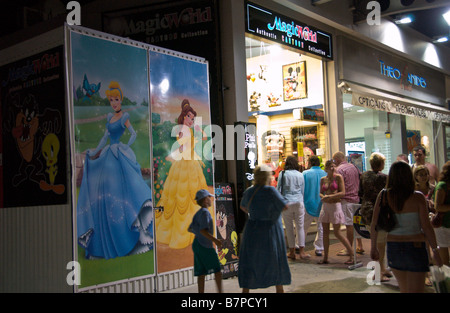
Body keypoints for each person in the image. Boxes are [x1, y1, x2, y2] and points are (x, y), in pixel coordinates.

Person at [77, 81, 153, 259]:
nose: (114, 102)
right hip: (107, 157)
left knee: (126, 192)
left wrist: (124, 147)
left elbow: (133, 134)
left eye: (116, 99)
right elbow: (105, 138)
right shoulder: (109, 117)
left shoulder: (125, 116)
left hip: (119, 155)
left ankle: (128, 234)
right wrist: (94, 152)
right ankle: (105, 242)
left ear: (121, 99)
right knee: (105, 194)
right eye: (111, 99)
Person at [370, 161, 443, 293]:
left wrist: (373, 247)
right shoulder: (418, 197)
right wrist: (435, 250)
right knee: (417, 290)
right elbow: (426, 227)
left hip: (394, 246)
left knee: (404, 289)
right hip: (415, 246)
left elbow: (374, 223)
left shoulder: (384, 195)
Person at [156, 99, 210, 249]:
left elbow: (203, 137)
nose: (191, 120)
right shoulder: (183, 129)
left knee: (188, 194)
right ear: (183, 116)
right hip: (186, 163)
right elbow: (182, 148)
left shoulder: (188, 129)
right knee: (183, 195)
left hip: (190, 162)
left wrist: (197, 128)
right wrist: (174, 156)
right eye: (189, 117)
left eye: (193, 118)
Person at [239, 165, 291, 293]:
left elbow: (243, 207)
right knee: (275, 261)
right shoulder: (270, 191)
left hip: (252, 230)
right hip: (270, 230)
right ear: (268, 176)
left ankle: (246, 291)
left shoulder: (249, 191)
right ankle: (279, 289)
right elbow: (284, 206)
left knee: (251, 261)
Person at [359, 152, 390, 282]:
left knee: (376, 240)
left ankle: (382, 269)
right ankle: (379, 272)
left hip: (366, 210)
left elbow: (360, 193)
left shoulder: (364, 176)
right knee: (381, 243)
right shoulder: (384, 178)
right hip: (380, 212)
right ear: (381, 164)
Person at [318, 160, 354, 265]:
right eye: (330, 166)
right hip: (325, 206)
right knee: (325, 232)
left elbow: (342, 193)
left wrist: (330, 196)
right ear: (326, 168)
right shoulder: (323, 179)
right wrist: (323, 197)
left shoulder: (338, 178)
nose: (333, 168)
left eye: (334, 166)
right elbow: (320, 192)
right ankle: (325, 257)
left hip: (335, 206)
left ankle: (352, 254)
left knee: (337, 232)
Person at [188, 189, 223, 293]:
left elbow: (190, 228)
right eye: (209, 197)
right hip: (205, 245)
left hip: (197, 244)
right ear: (204, 201)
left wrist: (198, 233)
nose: (211, 199)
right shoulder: (205, 213)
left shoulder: (198, 213)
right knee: (217, 269)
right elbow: (203, 230)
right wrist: (215, 240)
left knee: (201, 272)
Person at [277, 155, 309, 259]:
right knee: (300, 227)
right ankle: (302, 252)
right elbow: (303, 190)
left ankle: (292, 252)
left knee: (289, 228)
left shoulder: (283, 174)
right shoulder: (300, 174)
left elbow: (278, 189)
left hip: (287, 203)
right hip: (299, 202)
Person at [332, 151, 363, 255]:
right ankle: (360, 246)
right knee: (355, 223)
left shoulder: (339, 170)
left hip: (346, 200)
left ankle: (349, 248)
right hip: (356, 198)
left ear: (337, 159)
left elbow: (338, 187)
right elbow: (360, 178)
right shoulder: (353, 166)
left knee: (349, 224)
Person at [302, 155, 326, 257]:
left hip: (307, 203)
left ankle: (299, 245)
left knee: (303, 226)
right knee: (321, 227)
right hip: (321, 203)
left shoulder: (305, 174)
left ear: (310, 163)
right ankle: (319, 248)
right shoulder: (325, 173)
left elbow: (301, 188)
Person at [433, 161, 450, 267]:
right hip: (443, 225)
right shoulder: (442, 186)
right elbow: (437, 206)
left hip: (447, 224)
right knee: (445, 260)